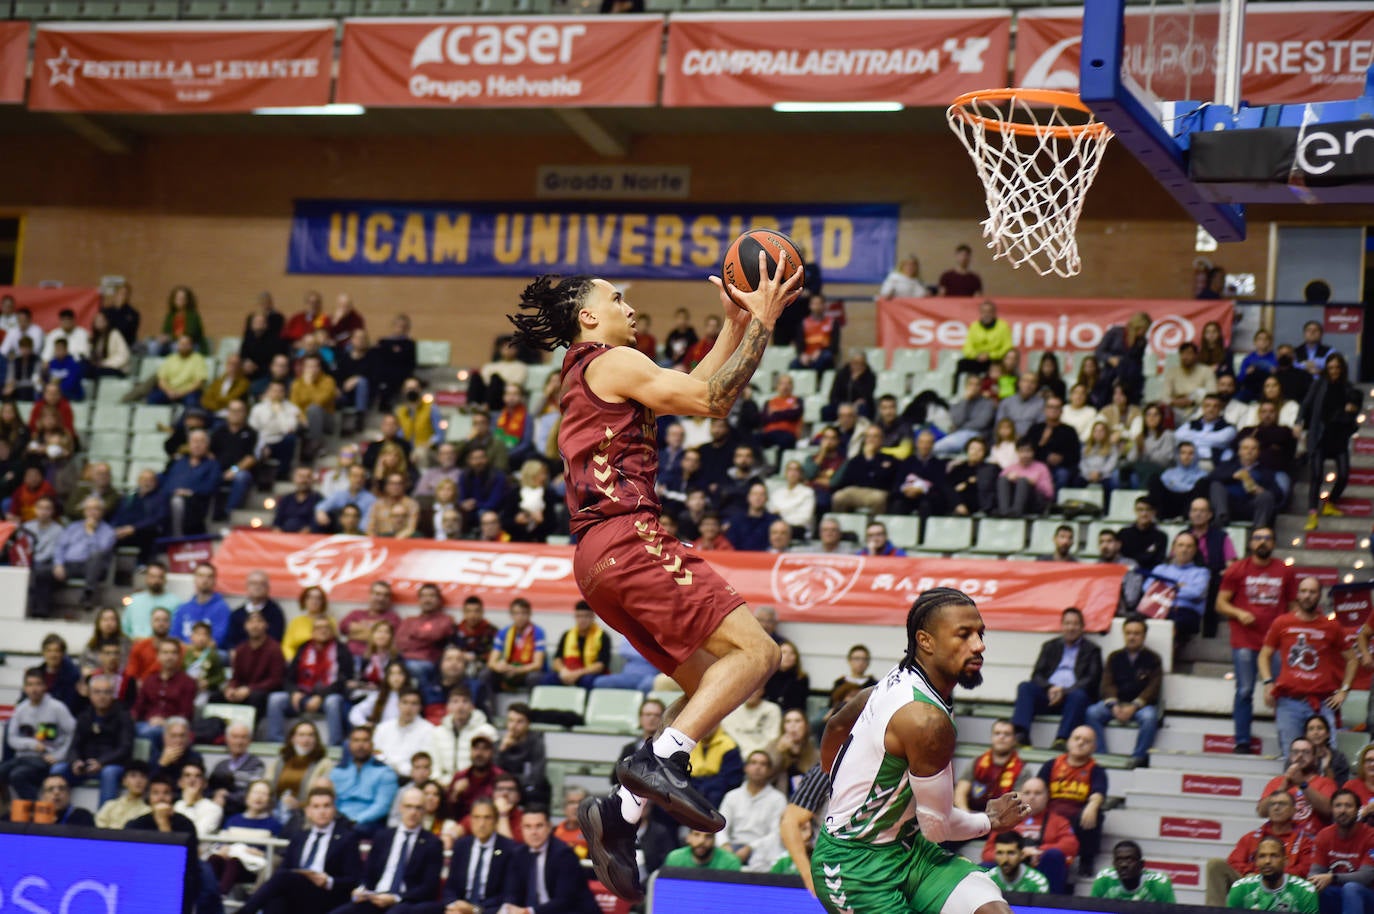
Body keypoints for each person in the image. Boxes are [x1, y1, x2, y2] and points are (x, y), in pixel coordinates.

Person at [508, 267, 799, 900]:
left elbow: (692, 383)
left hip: (596, 559)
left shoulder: (600, 372)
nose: (628, 304)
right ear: (588, 316)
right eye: (616, 298)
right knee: (759, 653)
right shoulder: (610, 360)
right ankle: (658, 760)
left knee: (709, 684)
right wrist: (767, 324)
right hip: (629, 538)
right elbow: (714, 400)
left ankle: (621, 811)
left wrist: (735, 322)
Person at [814, 588, 1029, 914]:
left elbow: (837, 727)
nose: (979, 645)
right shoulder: (925, 720)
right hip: (855, 867)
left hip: (910, 849)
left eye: (980, 634)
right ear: (925, 641)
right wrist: (991, 819)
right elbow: (938, 828)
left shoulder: (898, 680)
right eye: (964, 635)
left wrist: (844, 789)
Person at [1260, 577, 1356, 756]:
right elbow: (1264, 655)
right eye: (1303, 591)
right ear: (1297, 595)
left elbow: (1352, 659)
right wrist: (1267, 682)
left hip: (1322, 702)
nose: (1307, 596)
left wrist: (1344, 690)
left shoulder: (1331, 626)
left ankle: (1326, 785)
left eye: (1312, 592)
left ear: (1319, 595)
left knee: (1328, 756)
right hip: (1289, 702)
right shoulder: (1282, 622)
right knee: (1292, 756)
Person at [236, 786, 361, 914]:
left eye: (326, 806)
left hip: (326, 895)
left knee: (282, 879)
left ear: (334, 809)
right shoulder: (300, 836)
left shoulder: (347, 838)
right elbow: (285, 868)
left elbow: (354, 879)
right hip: (298, 893)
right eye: (316, 807)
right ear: (308, 811)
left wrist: (328, 881)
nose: (322, 811)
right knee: (276, 899)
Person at [394, 797, 519, 914]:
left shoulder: (507, 849)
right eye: (476, 817)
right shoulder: (461, 846)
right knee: (409, 910)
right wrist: (454, 905)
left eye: (487, 818)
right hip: (459, 908)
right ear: (470, 820)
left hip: (488, 909)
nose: (481, 823)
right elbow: (450, 887)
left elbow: (508, 894)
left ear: (496, 820)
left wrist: (475, 909)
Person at [330, 786, 443, 914]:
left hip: (405, 903)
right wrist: (362, 889)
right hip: (375, 898)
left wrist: (395, 898)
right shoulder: (383, 836)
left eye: (418, 808)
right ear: (400, 808)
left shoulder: (432, 843)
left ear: (424, 811)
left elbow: (429, 887)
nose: (413, 812)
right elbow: (368, 873)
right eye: (408, 806)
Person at [1010, 607, 1102, 749]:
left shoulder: (1092, 650)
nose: (1071, 627)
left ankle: (1062, 739)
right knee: (1025, 687)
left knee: (1079, 695)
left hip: (1072, 698)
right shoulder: (1050, 646)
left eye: (1075, 624)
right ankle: (1021, 735)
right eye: (1067, 623)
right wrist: (1050, 688)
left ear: (1082, 627)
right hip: (1049, 694)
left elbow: (1091, 679)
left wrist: (1064, 691)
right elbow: (1037, 675)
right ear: (1062, 625)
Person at [1084, 614, 1162, 768]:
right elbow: (1107, 683)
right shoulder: (1114, 657)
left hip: (1140, 706)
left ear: (1144, 636)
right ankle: (1100, 755)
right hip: (1116, 704)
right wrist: (1114, 705)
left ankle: (1139, 758)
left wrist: (1134, 706)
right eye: (1128, 633)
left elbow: (1153, 688)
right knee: (1092, 712)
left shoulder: (1153, 659)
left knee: (1150, 717)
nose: (1132, 637)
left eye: (1136, 633)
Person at [267, 617, 354, 746]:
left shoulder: (341, 650)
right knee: (276, 699)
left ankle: (334, 743)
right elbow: (288, 677)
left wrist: (321, 696)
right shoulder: (303, 648)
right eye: (319, 628)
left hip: (326, 697)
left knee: (333, 701)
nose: (323, 631)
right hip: (302, 696)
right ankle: (276, 742)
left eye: (327, 628)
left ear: (332, 632)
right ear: (312, 632)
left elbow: (344, 680)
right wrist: (294, 692)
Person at [1300, 353, 1362, 530]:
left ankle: (1330, 502)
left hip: (1339, 437)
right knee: (1316, 475)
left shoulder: (1348, 388)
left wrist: (1352, 410)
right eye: (1331, 368)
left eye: (1337, 368)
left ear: (1342, 369)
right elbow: (1307, 404)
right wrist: (1299, 422)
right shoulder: (1319, 384)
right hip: (1320, 436)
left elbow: (1355, 412)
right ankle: (1312, 512)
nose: (1334, 371)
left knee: (1343, 474)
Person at [1038, 726, 1109, 877]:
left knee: (1095, 814)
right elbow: (1038, 788)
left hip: (1078, 817)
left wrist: (1093, 805)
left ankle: (1086, 861)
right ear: (1069, 742)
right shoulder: (1051, 765)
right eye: (1077, 738)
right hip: (1051, 815)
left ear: (1094, 747)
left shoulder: (1096, 770)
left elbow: (1098, 793)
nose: (1080, 743)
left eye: (1086, 741)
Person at [0, 667, 76, 804]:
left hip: (45, 759)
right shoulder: (21, 709)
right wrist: (32, 744)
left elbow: (74, 733)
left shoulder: (57, 708)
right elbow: (11, 738)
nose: (34, 689)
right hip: (23, 757)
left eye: (38, 684)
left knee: (18, 776)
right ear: (25, 688)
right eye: (30, 685)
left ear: (45, 686)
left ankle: (41, 807)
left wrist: (59, 755)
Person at [55, 672, 133, 805]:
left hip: (111, 765)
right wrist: (75, 761)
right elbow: (74, 745)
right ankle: (57, 811)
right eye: (97, 692)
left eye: (106, 692)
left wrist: (101, 762)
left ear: (113, 695)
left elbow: (125, 748)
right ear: (90, 694)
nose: (102, 696)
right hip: (85, 766)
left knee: (109, 773)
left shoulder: (123, 716)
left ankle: (104, 819)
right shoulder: (84, 716)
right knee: (58, 769)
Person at [508, 806, 601, 914]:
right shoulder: (518, 854)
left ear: (549, 827)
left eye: (539, 826)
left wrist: (529, 911)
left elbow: (564, 901)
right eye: (528, 827)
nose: (533, 832)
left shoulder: (564, 854)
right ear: (521, 829)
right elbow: (511, 893)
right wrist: (509, 907)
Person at [718, 750, 788, 871]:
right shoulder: (732, 796)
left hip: (763, 851)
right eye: (753, 763)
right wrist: (725, 845)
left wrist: (750, 847)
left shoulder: (778, 799)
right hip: (732, 848)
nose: (758, 767)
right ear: (746, 768)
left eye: (763, 764)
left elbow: (776, 833)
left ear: (770, 771)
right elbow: (720, 826)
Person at [1308, 788, 1374, 914]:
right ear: (1332, 810)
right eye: (1338, 806)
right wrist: (1318, 881)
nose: (1342, 810)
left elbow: (1366, 877)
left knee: (1351, 888)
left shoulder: (1371, 836)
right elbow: (1314, 874)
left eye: (1348, 806)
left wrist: (1332, 878)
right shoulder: (1324, 835)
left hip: (1368, 897)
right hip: (1336, 894)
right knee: (1316, 890)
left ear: (1357, 810)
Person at [331, 725, 400, 837]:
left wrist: (355, 820)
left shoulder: (385, 772)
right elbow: (332, 800)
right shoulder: (337, 771)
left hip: (370, 823)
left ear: (372, 745)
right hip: (339, 819)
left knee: (353, 831)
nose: (360, 745)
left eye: (365, 740)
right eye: (356, 740)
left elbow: (382, 805)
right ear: (349, 745)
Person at [1262, 738, 1339, 834]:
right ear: (1290, 756)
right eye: (1295, 752)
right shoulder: (1277, 782)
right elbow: (1262, 812)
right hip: (1279, 841)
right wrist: (1282, 788)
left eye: (1306, 752)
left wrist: (1303, 784)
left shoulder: (1326, 783)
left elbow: (1329, 811)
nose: (1300, 756)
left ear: (1315, 758)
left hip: (1311, 841)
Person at [1228, 836, 1320, 912]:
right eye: (1262, 856)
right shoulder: (1241, 888)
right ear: (1256, 861)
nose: (1267, 861)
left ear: (1285, 861)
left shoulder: (1305, 891)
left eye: (1274, 856)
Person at [955, 719, 1024, 815]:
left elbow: (1017, 802)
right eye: (997, 733)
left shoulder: (1022, 769)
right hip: (971, 817)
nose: (1001, 737)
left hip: (1002, 820)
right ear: (991, 737)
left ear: (1014, 740)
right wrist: (966, 815)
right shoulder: (976, 762)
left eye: (1007, 734)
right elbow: (960, 793)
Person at [481, 598, 547, 695]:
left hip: (526, 671)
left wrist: (518, 670)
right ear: (511, 615)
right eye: (516, 613)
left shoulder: (538, 632)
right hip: (509, 669)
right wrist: (499, 667)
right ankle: (489, 708)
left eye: (523, 613)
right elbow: (491, 662)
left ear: (530, 614)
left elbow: (537, 664)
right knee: (486, 674)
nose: (520, 617)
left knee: (534, 677)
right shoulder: (504, 632)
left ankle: (532, 709)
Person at [545, 601, 610, 689]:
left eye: (586, 616)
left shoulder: (602, 636)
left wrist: (577, 674)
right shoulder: (567, 634)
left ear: (593, 617)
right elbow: (557, 659)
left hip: (588, 673)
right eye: (579, 616)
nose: (582, 620)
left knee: (587, 681)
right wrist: (563, 671)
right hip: (568, 671)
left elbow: (600, 666)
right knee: (547, 679)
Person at [172, 562, 232, 650]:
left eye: (209, 576)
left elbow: (217, 641)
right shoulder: (183, 609)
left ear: (215, 581)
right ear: (195, 579)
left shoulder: (222, 609)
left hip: (209, 654)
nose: (205, 580)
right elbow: (174, 638)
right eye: (201, 575)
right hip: (183, 654)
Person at [1092, 839, 1177, 901]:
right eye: (1119, 860)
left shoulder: (1159, 883)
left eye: (1130, 860)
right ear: (1113, 864)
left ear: (1141, 864)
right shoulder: (1104, 879)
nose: (1124, 865)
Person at [227, 570, 287, 651]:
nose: (257, 587)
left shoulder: (275, 613)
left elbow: (276, 639)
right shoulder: (237, 614)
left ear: (268, 588)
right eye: (253, 583)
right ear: (247, 587)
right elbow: (230, 640)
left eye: (262, 584)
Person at [956, 300, 1012, 378]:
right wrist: (977, 355)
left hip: (995, 359)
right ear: (980, 313)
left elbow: (1007, 347)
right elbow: (967, 347)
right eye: (984, 312)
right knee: (961, 364)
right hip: (977, 358)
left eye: (989, 311)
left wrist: (990, 355)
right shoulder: (974, 326)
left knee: (998, 366)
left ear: (994, 313)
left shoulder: (1003, 326)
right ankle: (955, 390)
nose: (986, 314)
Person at [95, 760, 151, 829]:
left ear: (147, 782)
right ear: (124, 781)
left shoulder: (148, 811)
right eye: (133, 776)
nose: (138, 781)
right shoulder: (110, 805)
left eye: (143, 776)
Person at [663, 828, 745, 872]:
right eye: (696, 835)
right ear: (688, 838)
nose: (701, 841)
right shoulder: (675, 858)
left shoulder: (730, 862)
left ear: (714, 840)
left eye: (708, 837)